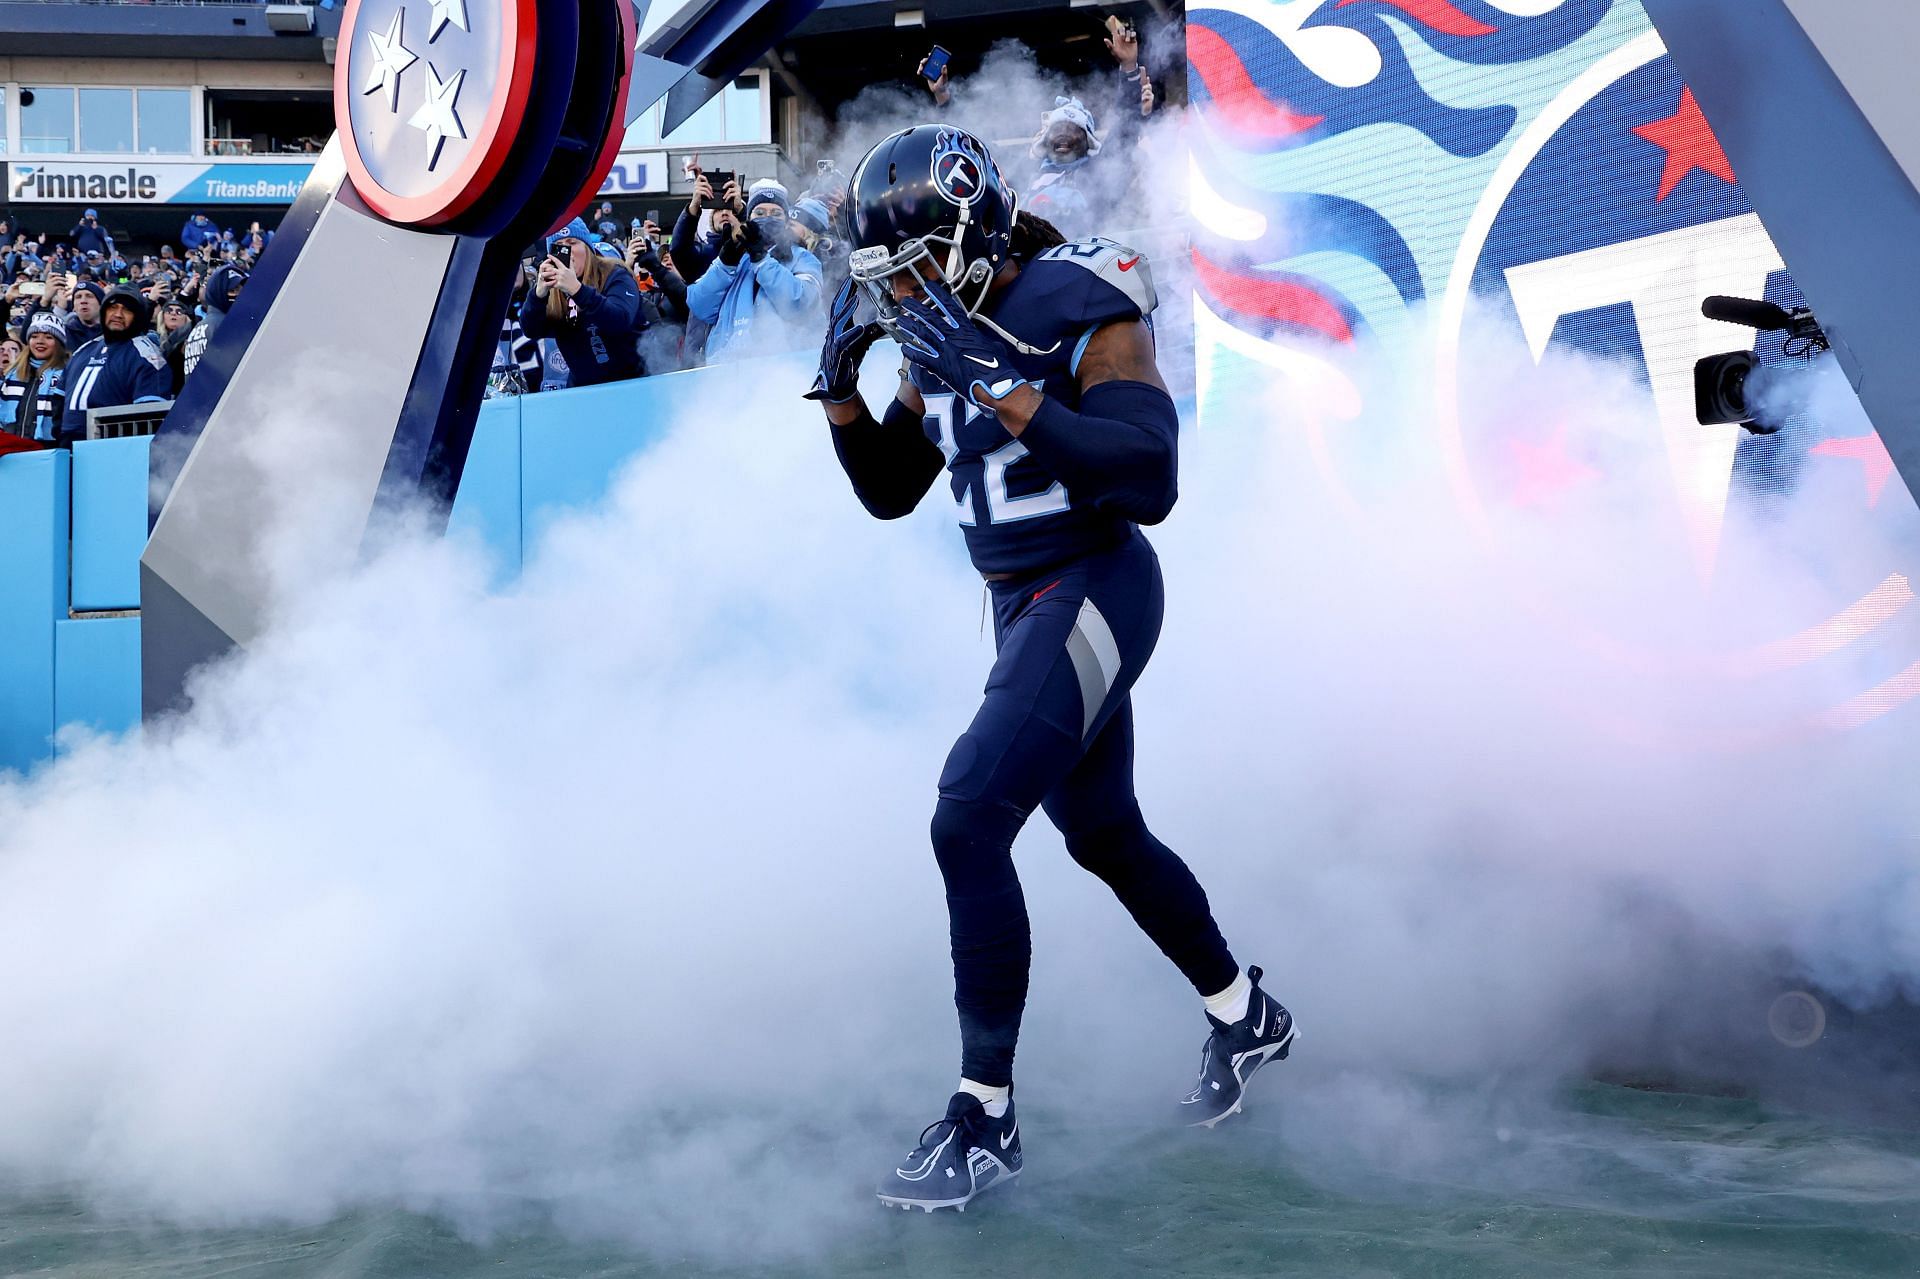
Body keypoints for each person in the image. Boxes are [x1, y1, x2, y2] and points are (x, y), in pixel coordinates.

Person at [807, 125, 1295, 1213]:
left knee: (968, 813)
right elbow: (893, 488)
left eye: (922, 262)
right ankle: (1241, 1013)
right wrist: (843, 392)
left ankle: (985, 1115)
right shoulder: (942, 333)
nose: (910, 291)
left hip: (1096, 583)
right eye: (891, 277)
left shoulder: (1077, 298)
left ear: (976, 229)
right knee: (1103, 833)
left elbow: (1148, 473)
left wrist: (1011, 388)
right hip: (1020, 605)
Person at [685, 180, 822, 362]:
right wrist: (724, 264)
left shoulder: (801, 258)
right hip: (724, 373)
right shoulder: (736, 258)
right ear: (750, 218)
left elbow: (801, 305)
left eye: (776, 213)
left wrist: (763, 261)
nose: (767, 217)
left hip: (780, 372)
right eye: (759, 212)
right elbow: (699, 305)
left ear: (786, 221)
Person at [518, 217, 644, 386]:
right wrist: (538, 295)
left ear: (587, 247)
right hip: (584, 389)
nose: (567, 251)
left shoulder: (614, 273)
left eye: (572, 243)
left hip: (633, 382)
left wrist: (577, 290)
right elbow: (532, 330)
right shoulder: (556, 289)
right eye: (560, 246)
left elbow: (619, 320)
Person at [61, 284, 170, 443]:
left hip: (109, 451)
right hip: (65, 449)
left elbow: (149, 419)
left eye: (127, 310)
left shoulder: (147, 356)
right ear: (104, 311)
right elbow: (58, 403)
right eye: (113, 307)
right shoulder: (83, 351)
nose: (118, 314)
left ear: (137, 316)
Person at [1023, 97, 1104, 239]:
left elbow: (1124, 136)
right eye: (1057, 128)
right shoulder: (1031, 175)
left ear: (1087, 142)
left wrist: (1131, 84)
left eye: (1072, 129)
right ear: (1046, 140)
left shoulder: (1097, 174)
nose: (1063, 134)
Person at [0, 313, 69, 442]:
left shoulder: (67, 374)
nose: (40, 341)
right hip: (10, 449)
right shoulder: (12, 375)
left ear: (59, 343)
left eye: (48, 337)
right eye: (34, 336)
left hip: (49, 450)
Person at [182, 264, 247, 380]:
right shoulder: (226, 325)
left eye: (242, 290)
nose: (239, 295)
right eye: (232, 290)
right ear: (217, 293)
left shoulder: (197, 328)